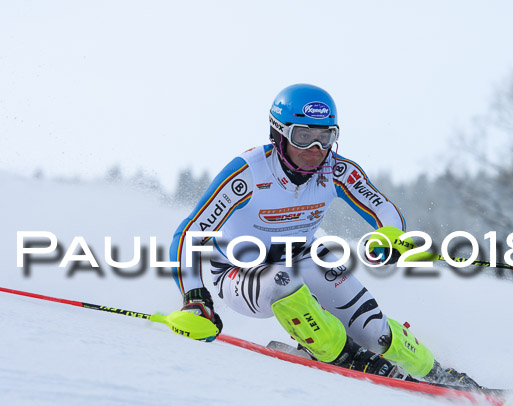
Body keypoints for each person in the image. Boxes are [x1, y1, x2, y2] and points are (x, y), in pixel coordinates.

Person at [170, 83, 480, 388]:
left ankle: (438, 373)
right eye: (303, 137)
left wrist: (390, 236)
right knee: (282, 281)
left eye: (325, 137)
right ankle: (340, 352)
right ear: (279, 135)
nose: (316, 150)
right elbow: (189, 232)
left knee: (376, 333)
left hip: (302, 257)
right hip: (238, 273)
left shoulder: (336, 170)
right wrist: (194, 296)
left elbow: (383, 207)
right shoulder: (248, 173)